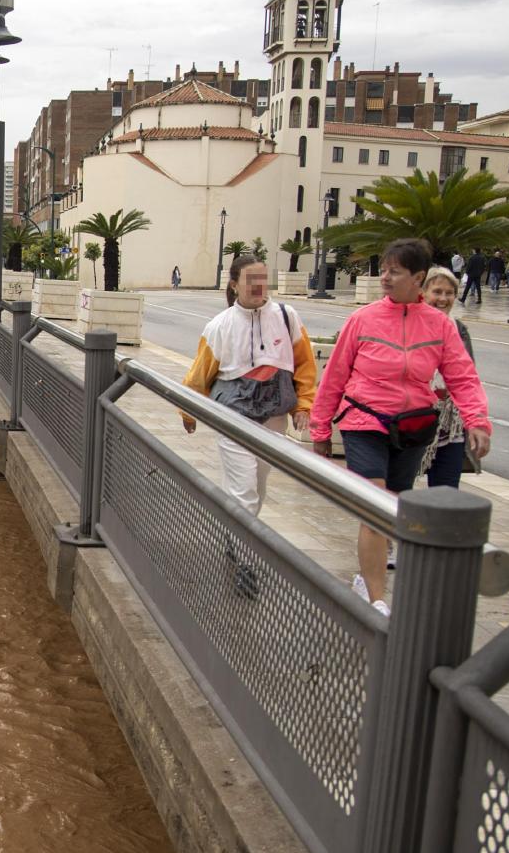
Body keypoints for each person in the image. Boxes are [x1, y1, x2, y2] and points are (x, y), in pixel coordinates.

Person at [309, 238, 492, 616]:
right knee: (375, 504)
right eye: (384, 270)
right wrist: (321, 429)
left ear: (418, 278)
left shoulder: (440, 326)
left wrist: (477, 422)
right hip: (364, 421)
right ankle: (376, 597)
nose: (385, 278)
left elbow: (462, 377)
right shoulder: (363, 319)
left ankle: (369, 574)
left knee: (396, 506)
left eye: (395, 271)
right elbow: (335, 376)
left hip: (412, 427)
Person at [182, 254, 319, 596]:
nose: (259, 287)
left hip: (273, 417)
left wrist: (304, 405)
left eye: (263, 279)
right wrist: (189, 412)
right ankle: (246, 561)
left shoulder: (287, 318)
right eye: (250, 280)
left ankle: (235, 535)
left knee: (257, 486)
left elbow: (304, 365)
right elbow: (200, 375)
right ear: (234, 285)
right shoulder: (220, 326)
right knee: (244, 489)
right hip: (234, 418)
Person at [418, 267, 478, 489]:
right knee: (396, 490)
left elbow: (468, 377)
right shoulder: (411, 323)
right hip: (413, 415)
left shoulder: (459, 329)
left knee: (445, 490)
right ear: (423, 292)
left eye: (449, 293)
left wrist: (475, 420)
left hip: (449, 421)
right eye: (437, 292)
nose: (443, 298)